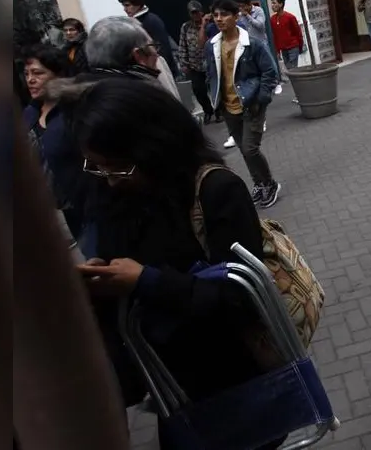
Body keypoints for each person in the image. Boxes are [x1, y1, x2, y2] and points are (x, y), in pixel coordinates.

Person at [68, 79, 285, 450]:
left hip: (230, 381)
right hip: (168, 385)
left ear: (156, 147)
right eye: (97, 167)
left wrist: (146, 281)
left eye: (118, 168)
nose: (110, 179)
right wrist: (98, 278)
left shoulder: (215, 190)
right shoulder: (112, 194)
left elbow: (239, 297)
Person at [204, 0, 281, 207]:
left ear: (236, 16)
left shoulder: (252, 44)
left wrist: (262, 98)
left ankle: (270, 183)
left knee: (250, 148)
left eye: (224, 14)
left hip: (251, 103)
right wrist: (214, 97)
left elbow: (269, 71)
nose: (219, 19)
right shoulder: (212, 46)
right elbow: (211, 74)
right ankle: (258, 183)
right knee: (242, 147)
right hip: (228, 106)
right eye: (216, 15)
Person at [22, 44, 86, 238]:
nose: (30, 80)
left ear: (59, 75)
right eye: (26, 74)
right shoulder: (30, 113)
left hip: (85, 202)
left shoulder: (76, 111)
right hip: (56, 208)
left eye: (38, 73)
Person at [83, 15, 181, 101]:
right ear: (138, 55)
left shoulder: (87, 98)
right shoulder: (148, 100)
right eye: (152, 45)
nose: (156, 52)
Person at [117, 0, 178, 76]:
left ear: (138, 4)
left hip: (158, 70)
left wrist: (158, 72)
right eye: (123, 6)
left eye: (127, 5)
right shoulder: (138, 21)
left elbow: (162, 49)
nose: (125, 9)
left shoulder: (151, 21)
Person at [177, 1, 218, 124]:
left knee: (216, 88)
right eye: (192, 12)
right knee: (198, 90)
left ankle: (219, 111)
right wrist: (184, 63)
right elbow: (182, 45)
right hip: (195, 64)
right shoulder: (186, 27)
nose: (195, 15)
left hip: (210, 63)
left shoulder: (210, 24)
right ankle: (208, 111)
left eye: (196, 12)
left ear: (201, 12)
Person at [269, 0, 304, 95]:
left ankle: (299, 93)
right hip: (283, 49)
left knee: (293, 70)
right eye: (272, 3)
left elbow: (298, 32)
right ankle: (299, 91)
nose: (272, 5)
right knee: (290, 70)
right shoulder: (272, 19)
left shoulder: (290, 17)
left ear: (281, 4)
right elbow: (275, 36)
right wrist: (277, 50)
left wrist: (300, 46)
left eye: (274, 3)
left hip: (293, 46)